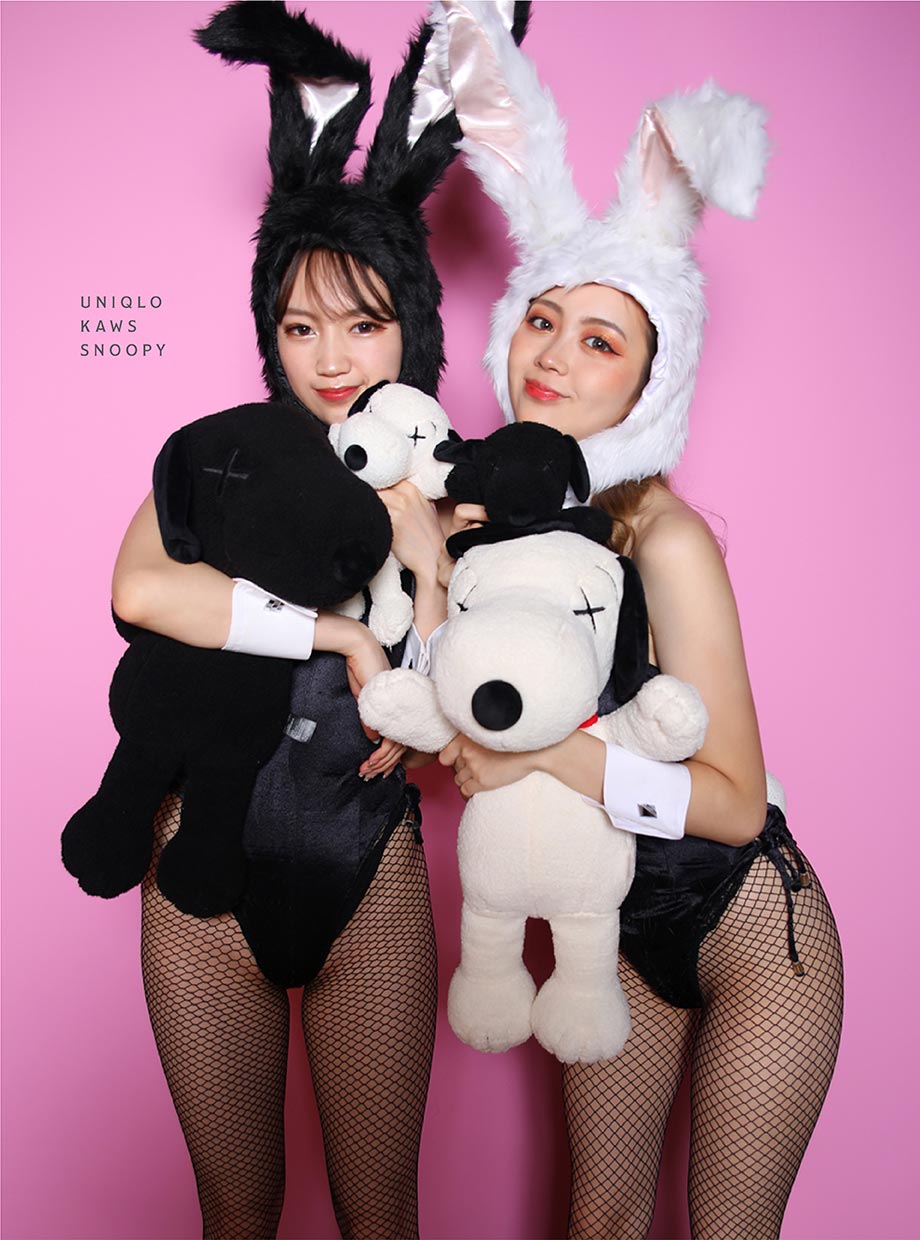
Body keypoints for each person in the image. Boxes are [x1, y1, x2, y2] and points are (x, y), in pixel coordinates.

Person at [433, 5, 843, 1237]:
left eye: (598, 339)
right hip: (606, 920)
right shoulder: (479, 530)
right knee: (601, 1223)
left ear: (649, 379)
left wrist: (548, 757)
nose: (552, 356)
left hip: (744, 918)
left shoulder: (663, 538)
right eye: (540, 319)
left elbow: (730, 801)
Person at [100, 4, 482, 1235]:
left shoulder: (458, 489)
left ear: (411, 326)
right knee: (237, 1207)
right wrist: (342, 634)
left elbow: (476, 726)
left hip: (367, 876)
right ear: (269, 330)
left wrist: (427, 563)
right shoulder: (224, 457)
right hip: (198, 879)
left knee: (380, 1212)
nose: (329, 358)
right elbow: (142, 592)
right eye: (299, 324)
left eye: (362, 323)